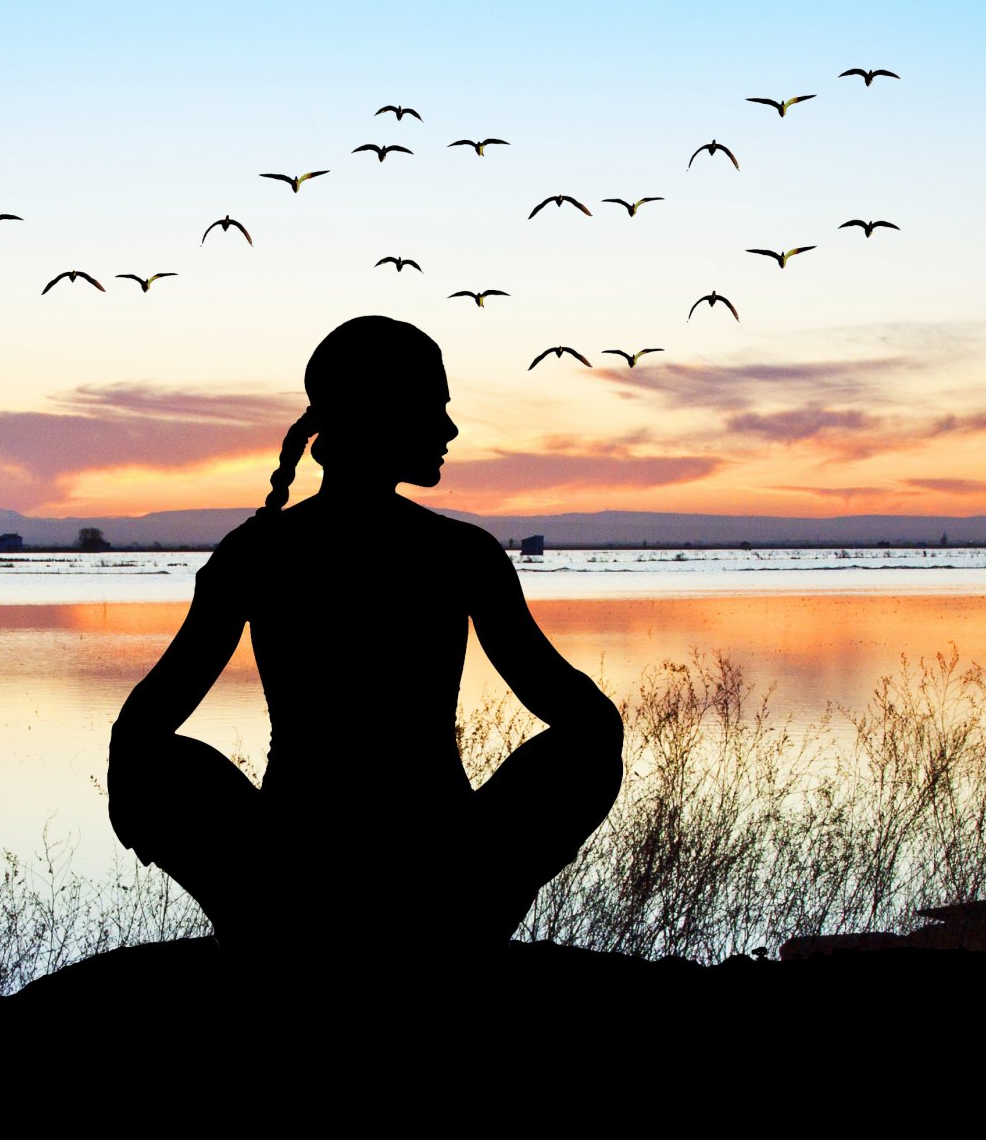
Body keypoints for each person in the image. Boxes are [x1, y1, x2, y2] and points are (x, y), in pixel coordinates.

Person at [108, 315, 625, 968]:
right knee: (589, 743)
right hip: (441, 872)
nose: (449, 430)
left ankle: (269, 933)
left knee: (148, 759)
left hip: (291, 869)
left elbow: (138, 733)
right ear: (380, 413)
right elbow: (587, 722)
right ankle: (451, 934)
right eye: (433, 408)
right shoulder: (461, 554)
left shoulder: (256, 553)